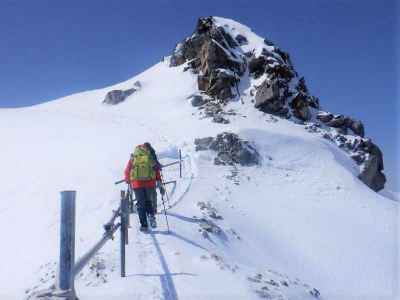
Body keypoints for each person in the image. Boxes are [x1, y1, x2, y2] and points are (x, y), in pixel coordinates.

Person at [124, 142, 165, 232]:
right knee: (148, 201)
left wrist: (128, 180)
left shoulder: (134, 156)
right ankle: (151, 216)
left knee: (140, 203)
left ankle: (144, 225)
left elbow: (127, 170)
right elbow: (156, 170)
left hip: (137, 183)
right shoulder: (150, 155)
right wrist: (159, 181)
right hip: (150, 183)